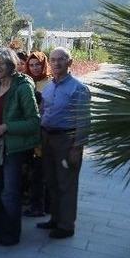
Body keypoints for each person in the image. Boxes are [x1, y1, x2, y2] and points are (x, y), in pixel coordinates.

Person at [0, 48, 40, 246]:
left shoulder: (22, 86)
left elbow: (34, 121)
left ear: (11, 64)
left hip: (13, 147)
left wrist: (6, 126)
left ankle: (11, 233)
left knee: (10, 192)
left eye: (1, 63)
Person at [37, 47, 91, 239]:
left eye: (61, 59)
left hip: (66, 141)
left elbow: (84, 120)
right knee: (51, 181)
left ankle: (66, 226)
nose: (57, 63)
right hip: (47, 138)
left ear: (70, 62)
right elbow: (44, 112)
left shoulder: (79, 88)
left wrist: (77, 148)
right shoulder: (49, 86)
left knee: (66, 184)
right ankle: (55, 219)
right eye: (53, 59)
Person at [23, 50, 52, 217]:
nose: (34, 68)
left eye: (38, 64)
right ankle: (36, 203)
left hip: (44, 131)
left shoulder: (50, 82)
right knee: (32, 171)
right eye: (31, 64)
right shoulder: (26, 81)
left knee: (42, 171)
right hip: (29, 131)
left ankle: (43, 205)